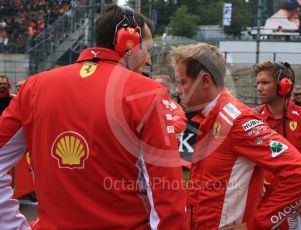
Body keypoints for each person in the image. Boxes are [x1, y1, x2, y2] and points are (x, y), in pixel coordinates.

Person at [0, 4, 188, 229]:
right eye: (147, 49)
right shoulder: (146, 93)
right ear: (126, 42)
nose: (148, 60)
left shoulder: (34, 87)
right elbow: (167, 195)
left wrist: (12, 225)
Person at [170, 43, 301, 230]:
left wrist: (255, 225)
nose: (177, 90)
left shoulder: (238, 120)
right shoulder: (211, 115)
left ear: (205, 81)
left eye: (182, 82)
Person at [254, 61, 301, 230]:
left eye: (265, 83)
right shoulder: (252, 119)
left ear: (284, 85)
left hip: (294, 211)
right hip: (259, 209)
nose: (259, 88)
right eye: (257, 83)